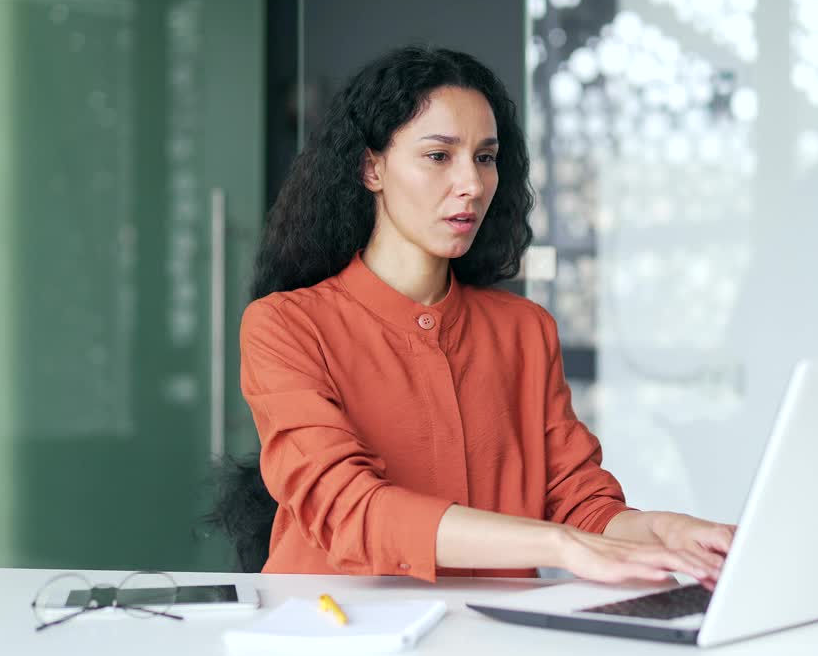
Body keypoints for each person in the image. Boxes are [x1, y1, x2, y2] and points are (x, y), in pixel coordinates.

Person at [234, 45, 734, 589]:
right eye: (438, 156)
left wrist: (663, 529)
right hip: (340, 638)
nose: (471, 184)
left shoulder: (523, 330)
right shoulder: (285, 325)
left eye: (485, 157)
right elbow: (350, 509)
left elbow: (578, 503)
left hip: (492, 643)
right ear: (371, 167)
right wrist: (558, 545)